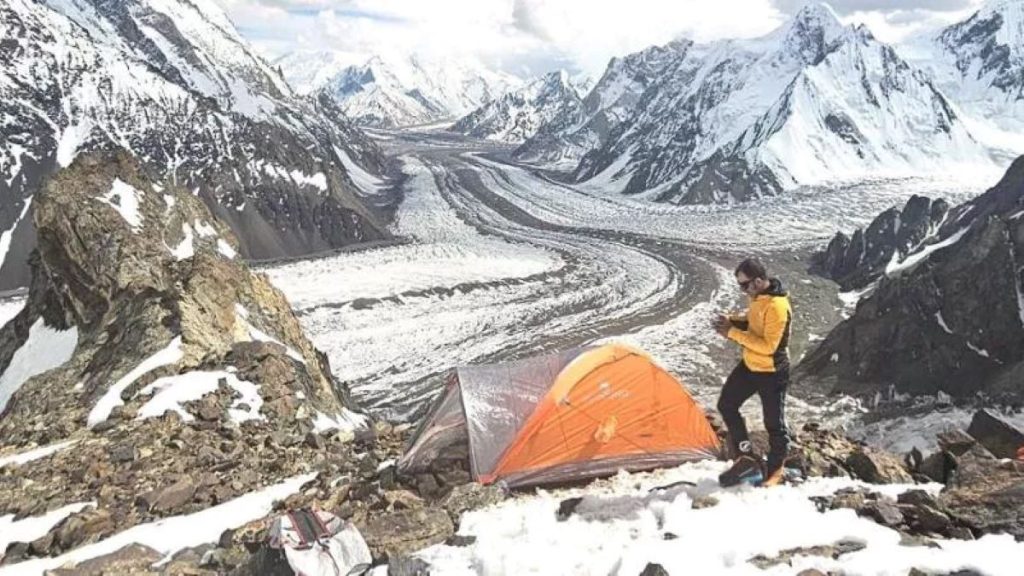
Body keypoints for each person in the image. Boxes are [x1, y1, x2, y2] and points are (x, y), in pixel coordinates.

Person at [712, 258, 792, 487]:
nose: (743, 290)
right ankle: (745, 456)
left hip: (772, 371)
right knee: (727, 405)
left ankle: (776, 469)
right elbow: (752, 322)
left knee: (774, 424)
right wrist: (732, 322)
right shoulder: (757, 297)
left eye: (745, 285)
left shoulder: (777, 306)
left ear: (758, 281)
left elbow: (770, 346)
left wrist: (732, 333)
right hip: (750, 365)